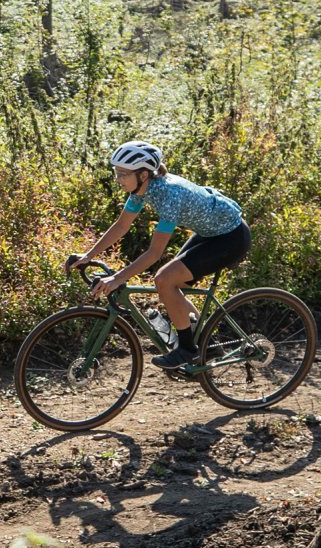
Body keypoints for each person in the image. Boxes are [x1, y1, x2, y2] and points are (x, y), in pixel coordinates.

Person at [65, 140, 250, 379]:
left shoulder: (168, 194)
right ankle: (207, 342)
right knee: (173, 285)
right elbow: (122, 225)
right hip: (210, 233)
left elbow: (154, 253)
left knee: (164, 279)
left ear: (143, 174)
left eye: (123, 174)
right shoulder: (141, 189)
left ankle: (187, 349)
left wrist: (117, 278)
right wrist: (88, 255)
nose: (118, 179)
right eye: (116, 173)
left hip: (231, 237)